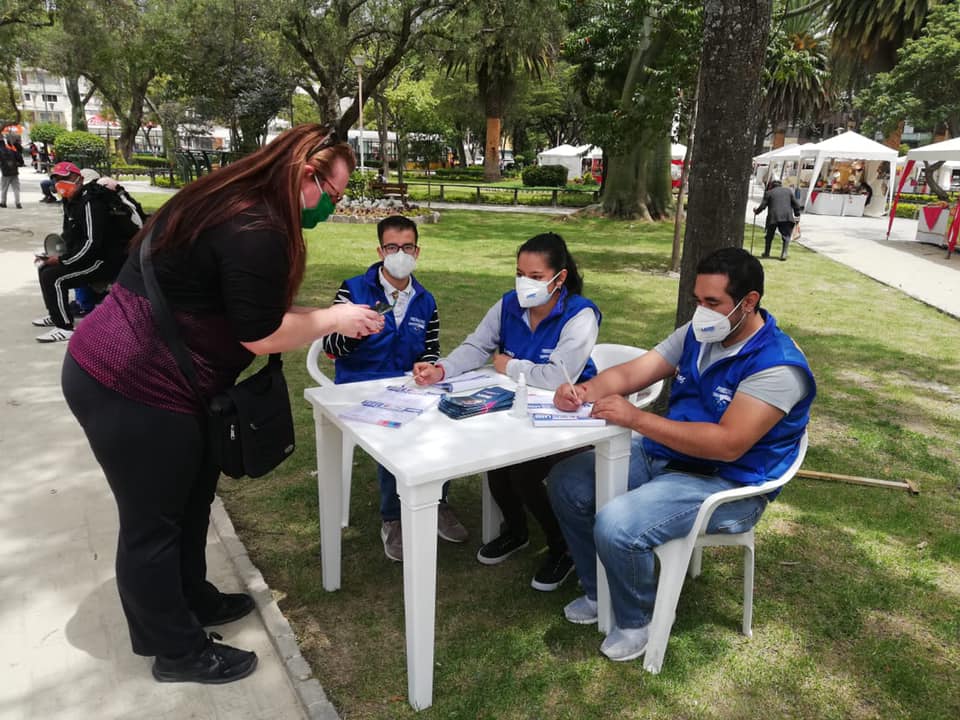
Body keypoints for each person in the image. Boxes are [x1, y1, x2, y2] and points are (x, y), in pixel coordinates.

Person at [60, 124, 384, 685]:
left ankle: (193, 599)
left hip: (165, 382)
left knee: (189, 503)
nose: (333, 206)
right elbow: (259, 334)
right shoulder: (254, 226)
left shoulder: (232, 200)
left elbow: (237, 305)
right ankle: (177, 651)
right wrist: (334, 319)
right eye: (334, 193)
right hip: (130, 383)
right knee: (152, 522)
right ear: (307, 175)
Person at [546, 247, 815, 662]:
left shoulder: (777, 366)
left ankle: (639, 620)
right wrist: (585, 390)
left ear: (749, 302)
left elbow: (727, 444)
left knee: (617, 524)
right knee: (568, 482)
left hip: (729, 483)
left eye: (713, 303)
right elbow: (638, 369)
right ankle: (600, 591)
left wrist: (636, 418)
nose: (701, 311)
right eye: (697, 300)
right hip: (669, 454)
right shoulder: (701, 331)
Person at [414, 232, 601, 591]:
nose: (524, 283)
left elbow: (555, 378)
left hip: (567, 415)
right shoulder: (508, 305)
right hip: (516, 409)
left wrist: (508, 366)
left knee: (523, 471)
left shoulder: (581, 315)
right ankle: (516, 531)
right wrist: (441, 370)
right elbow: (476, 345)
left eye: (535, 276)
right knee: (497, 464)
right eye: (519, 273)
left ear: (559, 278)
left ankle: (561, 545)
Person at [320, 214, 468, 562]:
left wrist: (427, 365)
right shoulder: (354, 289)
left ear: (417, 251)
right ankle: (393, 518)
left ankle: (438, 501)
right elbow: (330, 347)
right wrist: (355, 331)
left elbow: (430, 348)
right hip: (360, 386)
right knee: (395, 430)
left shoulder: (425, 300)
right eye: (391, 246)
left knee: (445, 418)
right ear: (380, 249)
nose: (399, 253)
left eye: (407, 247)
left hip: (407, 384)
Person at [32, 164, 142, 342]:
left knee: (54, 277)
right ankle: (56, 314)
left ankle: (64, 327)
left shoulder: (90, 203)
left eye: (65, 179)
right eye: (57, 180)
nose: (60, 184)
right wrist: (53, 256)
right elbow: (70, 236)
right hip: (90, 257)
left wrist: (63, 261)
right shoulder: (71, 202)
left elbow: (92, 243)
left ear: (79, 179)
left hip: (105, 260)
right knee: (44, 268)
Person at [753, 180, 802, 261]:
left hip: (773, 217)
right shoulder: (788, 191)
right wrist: (797, 215)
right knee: (786, 236)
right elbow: (796, 205)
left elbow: (762, 206)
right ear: (781, 185)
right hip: (786, 217)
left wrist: (756, 212)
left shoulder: (769, 193)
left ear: (771, 186)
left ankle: (766, 252)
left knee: (769, 236)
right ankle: (784, 253)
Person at [0, 132, 24, 209]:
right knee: (16, 189)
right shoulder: (13, 149)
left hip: (5, 172)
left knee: (4, 188)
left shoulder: (1, 150)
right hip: (14, 172)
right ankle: (18, 203)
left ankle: (3, 202)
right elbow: (20, 159)